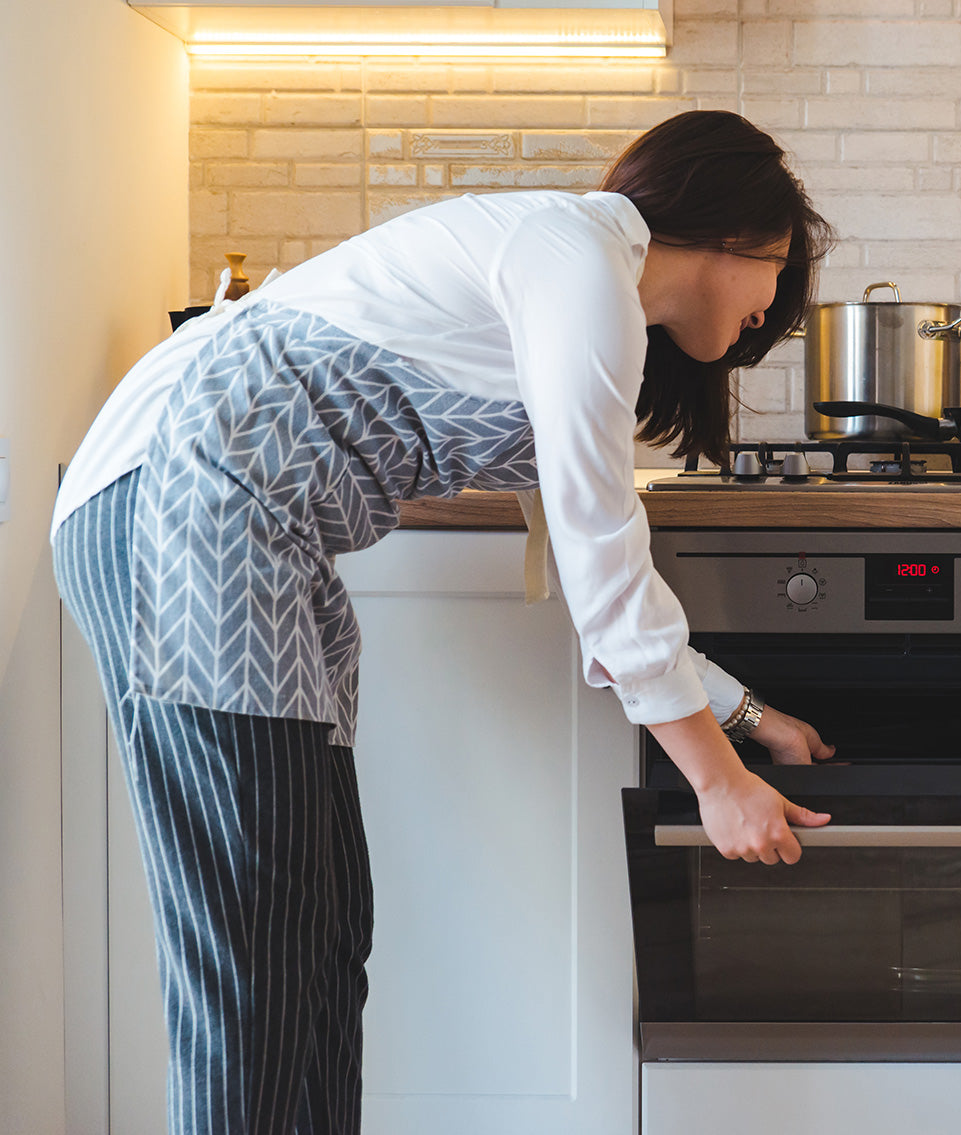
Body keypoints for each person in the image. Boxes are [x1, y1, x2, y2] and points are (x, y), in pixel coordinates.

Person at [50, 109, 837, 1135]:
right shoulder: (577, 260)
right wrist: (717, 784)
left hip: (248, 543)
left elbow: (586, 560)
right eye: (780, 276)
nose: (770, 311)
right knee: (253, 963)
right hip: (184, 516)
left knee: (322, 943)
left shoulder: (580, 283)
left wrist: (740, 715)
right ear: (745, 240)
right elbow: (605, 557)